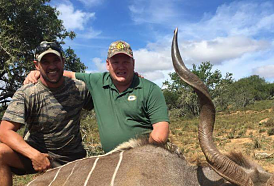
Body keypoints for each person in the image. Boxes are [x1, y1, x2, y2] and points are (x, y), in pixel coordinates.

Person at [0, 41, 93, 186]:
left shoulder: (80, 88)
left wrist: (134, 79)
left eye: (55, 60)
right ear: (37, 66)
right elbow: (4, 130)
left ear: (63, 62)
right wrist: (34, 155)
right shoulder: (28, 93)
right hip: (36, 156)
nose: (51, 66)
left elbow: (107, 93)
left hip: (72, 160)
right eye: (45, 62)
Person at [25, 40, 170, 153]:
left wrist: (144, 157)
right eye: (115, 62)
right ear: (107, 64)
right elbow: (66, 73)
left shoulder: (150, 89)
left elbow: (160, 134)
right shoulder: (97, 81)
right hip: (110, 160)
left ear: (133, 63)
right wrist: (39, 73)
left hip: (142, 156)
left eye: (126, 61)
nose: (121, 66)